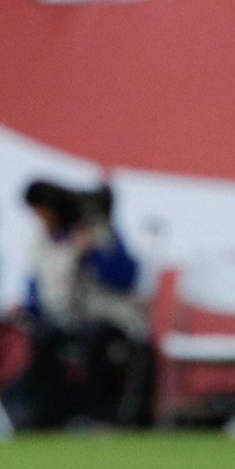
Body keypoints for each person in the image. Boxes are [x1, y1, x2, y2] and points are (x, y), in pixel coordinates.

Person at [3, 182, 146, 429]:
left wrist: (91, 252)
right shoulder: (42, 244)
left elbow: (125, 278)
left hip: (108, 320)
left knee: (96, 339)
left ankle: (98, 417)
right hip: (65, 320)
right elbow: (37, 291)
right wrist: (26, 308)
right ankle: (47, 417)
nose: (41, 219)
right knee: (42, 339)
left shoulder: (99, 234)